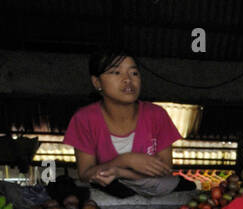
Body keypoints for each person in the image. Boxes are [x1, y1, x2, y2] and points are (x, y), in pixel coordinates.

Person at [63, 52, 194, 199]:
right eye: (116, 72)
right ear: (97, 83)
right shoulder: (84, 119)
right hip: (106, 200)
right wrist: (126, 160)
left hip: (154, 193)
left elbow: (164, 170)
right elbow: (86, 174)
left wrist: (121, 172)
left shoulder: (156, 115)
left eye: (134, 73)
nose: (127, 80)